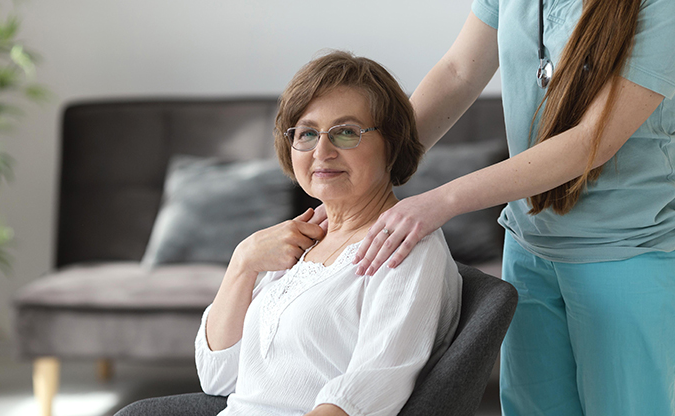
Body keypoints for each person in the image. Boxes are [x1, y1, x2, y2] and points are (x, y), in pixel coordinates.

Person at [352, 1, 675, 415]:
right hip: (530, 247)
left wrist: (441, 200)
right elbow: (458, 72)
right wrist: (367, 177)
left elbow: (590, 141)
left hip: (630, 252)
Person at [116, 51, 462, 416]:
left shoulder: (406, 247)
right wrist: (243, 263)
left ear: (392, 144)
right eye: (307, 133)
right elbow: (218, 378)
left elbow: (364, 395)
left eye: (346, 133)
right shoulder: (304, 241)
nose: (321, 152)